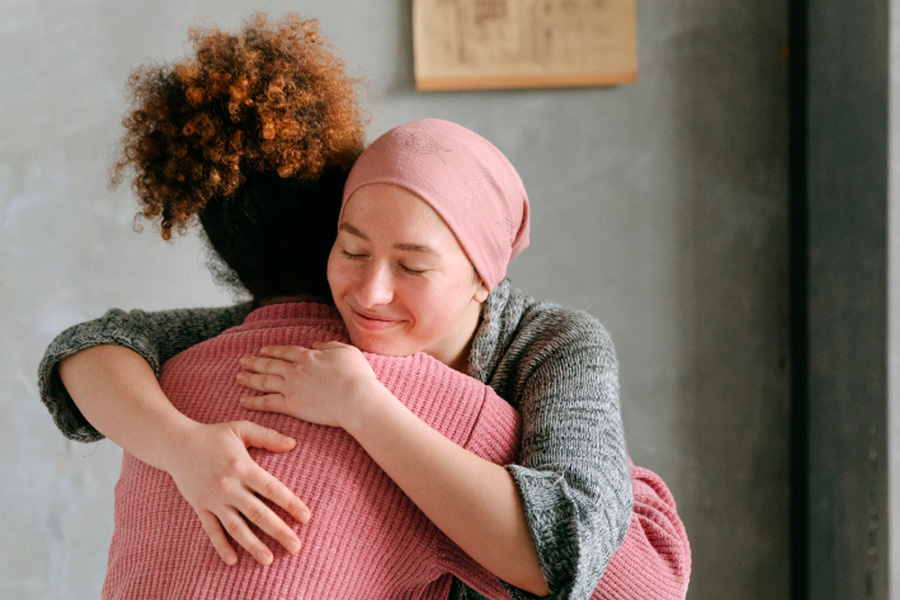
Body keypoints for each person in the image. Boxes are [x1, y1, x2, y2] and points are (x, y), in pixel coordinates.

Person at [38, 15, 690, 600]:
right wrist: (186, 449)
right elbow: (95, 345)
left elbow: (588, 557)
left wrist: (365, 408)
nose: (371, 292)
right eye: (351, 249)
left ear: (481, 278)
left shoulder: (554, 345)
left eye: (411, 266)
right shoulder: (313, 327)